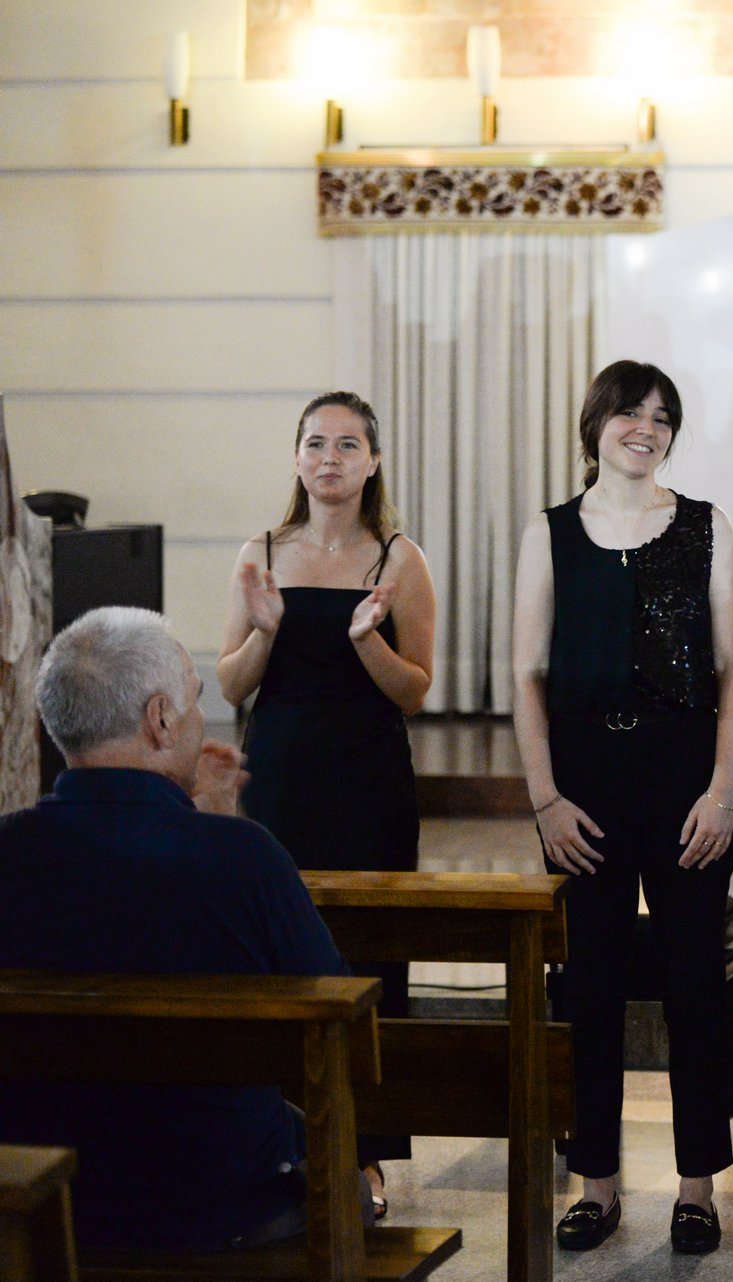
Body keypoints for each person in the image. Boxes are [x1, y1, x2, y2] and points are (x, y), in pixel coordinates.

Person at [0, 607, 357, 1250]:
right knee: (344, 1181)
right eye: (195, 699)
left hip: (41, 1204)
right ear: (160, 719)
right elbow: (343, 1026)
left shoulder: (8, 850)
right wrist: (225, 831)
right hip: (220, 1207)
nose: (199, 719)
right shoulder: (245, 860)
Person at [510, 360, 733, 1253]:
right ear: (595, 424)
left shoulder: (704, 525)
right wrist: (545, 800)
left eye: (661, 417)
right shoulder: (551, 532)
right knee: (591, 986)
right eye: (629, 413)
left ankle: (697, 1188)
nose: (645, 429)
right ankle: (596, 1183)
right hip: (583, 790)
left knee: (695, 986)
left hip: (687, 784)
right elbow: (526, 675)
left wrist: (723, 791)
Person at [215, 390, 435, 1219]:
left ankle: (368, 1156)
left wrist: (365, 639)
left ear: (373, 462)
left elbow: (414, 690)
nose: (330, 458)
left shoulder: (399, 558)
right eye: (316, 443)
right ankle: (280, 1145)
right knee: (278, 956)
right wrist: (267, 629)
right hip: (279, 780)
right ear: (296, 457)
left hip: (369, 784)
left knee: (370, 959)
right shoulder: (262, 552)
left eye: (348, 445)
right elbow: (229, 684)